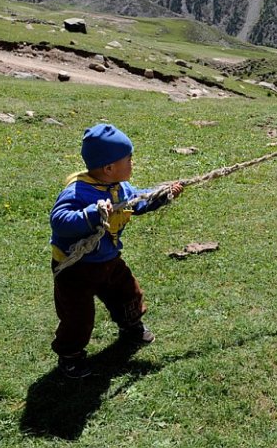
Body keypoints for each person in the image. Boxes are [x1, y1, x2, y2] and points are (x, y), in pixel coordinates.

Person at [49, 123, 183, 378]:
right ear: (109, 168)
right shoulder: (78, 191)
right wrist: (92, 214)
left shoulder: (121, 188)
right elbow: (60, 220)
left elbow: (139, 201)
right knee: (78, 316)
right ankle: (70, 355)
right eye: (129, 159)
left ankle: (131, 327)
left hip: (108, 260)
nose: (133, 163)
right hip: (75, 268)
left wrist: (163, 194)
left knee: (128, 294)